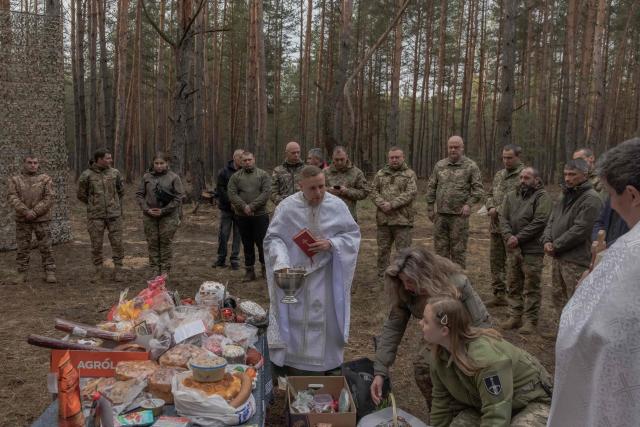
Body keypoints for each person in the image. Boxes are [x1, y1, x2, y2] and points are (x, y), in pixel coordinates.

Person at [548, 137, 640, 427]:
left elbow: (591, 331)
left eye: (613, 195)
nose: (611, 204)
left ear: (633, 196)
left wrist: (585, 293)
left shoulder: (630, 252)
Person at [264, 165, 360, 376]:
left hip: (326, 277)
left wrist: (332, 244)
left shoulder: (337, 206)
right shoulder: (287, 207)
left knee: (326, 320)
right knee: (295, 318)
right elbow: (274, 238)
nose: (318, 193)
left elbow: (352, 236)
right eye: (312, 189)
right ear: (300, 187)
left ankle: (327, 366)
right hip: (296, 277)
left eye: (322, 186)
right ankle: (294, 366)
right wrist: (282, 262)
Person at [371, 247, 491, 410]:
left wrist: (486, 355)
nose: (406, 286)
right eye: (403, 281)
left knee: (467, 368)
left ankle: (471, 405)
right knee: (424, 367)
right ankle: (439, 410)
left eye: (410, 281)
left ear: (424, 275)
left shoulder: (456, 283)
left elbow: (481, 322)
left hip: (465, 333)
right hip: (437, 333)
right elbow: (393, 327)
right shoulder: (405, 291)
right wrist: (380, 370)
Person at [424, 296, 552, 427]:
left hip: (530, 402)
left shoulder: (485, 360)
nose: (420, 324)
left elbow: (496, 414)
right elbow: (441, 403)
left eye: (426, 321)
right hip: (485, 404)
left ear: (444, 331)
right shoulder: (440, 354)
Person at [542, 159, 602, 325]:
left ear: (584, 175)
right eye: (566, 174)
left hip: (576, 260)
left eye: (572, 175)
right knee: (557, 297)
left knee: (576, 301)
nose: (567, 178)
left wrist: (556, 245)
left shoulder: (591, 199)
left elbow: (581, 229)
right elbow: (552, 219)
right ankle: (562, 332)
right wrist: (547, 240)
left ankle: (575, 337)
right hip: (558, 258)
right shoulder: (565, 194)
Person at [499, 167, 552, 334]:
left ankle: (530, 320)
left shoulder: (542, 197)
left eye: (527, 178)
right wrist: (508, 236)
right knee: (513, 282)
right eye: (521, 177)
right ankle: (515, 315)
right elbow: (503, 217)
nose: (522, 180)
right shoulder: (510, 195)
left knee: (531, 285)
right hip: (513, 248)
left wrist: (519, 237)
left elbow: (540, 221)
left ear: (536, 180)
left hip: (532, 249)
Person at [426, 136, 484, 269]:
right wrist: (430, 207)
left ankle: (458, 283)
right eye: (450, 147)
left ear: (462, 148)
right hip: (440, 216)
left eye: (456, 147)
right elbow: (431, 187)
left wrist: (468, 204)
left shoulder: (470, 166)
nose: (453, 149)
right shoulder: (440, 165)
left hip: (459, 217)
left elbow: (478, 189)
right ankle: (442, 281)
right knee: (440, 251)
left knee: (458, 251)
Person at [78, 148, 125, 283]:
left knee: (117, 243)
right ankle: (98, 271)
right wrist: (94, 204)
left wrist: (115, 205)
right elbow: (81, 194)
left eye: (110, 158)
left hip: (114, 214)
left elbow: (121, 191)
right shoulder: (86, 175)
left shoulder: (115, 173)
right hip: (95, 216)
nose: (110, 160)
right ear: (99, 159)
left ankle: (118, 271)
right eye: (108, 158)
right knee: (96, 244)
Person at [485, 145, 524, 307]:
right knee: (496, 261)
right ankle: (499, 294)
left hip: (513, 229)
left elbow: (522, 200)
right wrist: (490, 207)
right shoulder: (499, 175)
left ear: (518, 157)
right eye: (504, 158)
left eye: (510, 158)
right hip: (495, 227)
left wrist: (498, 210)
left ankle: (515, 297)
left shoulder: (524, 175)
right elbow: (489, 194)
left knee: (514, 263)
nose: (506, 161)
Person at [7, 154, 56, 283]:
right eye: (30, 162)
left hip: (42, 219)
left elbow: (49, 198)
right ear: (24, 163)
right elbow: (12, 197)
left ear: (38, 164)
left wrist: (34, 212)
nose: (33, 165)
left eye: (35, 162)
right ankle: (21, 273)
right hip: (23, 219)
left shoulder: (45, 179)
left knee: (46, 246)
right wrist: (25, 211)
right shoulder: (15, 180)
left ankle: (49, 271)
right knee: (22, 247)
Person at [370, 146, 418, 276]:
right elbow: (373, 191)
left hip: (402, 220)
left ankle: (404, 276)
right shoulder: (380, 174)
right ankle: (383, 275)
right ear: (388, 158)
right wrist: (382, 204)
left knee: (404, 252)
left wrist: (392, 204)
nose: (394, 160)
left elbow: (411, 193)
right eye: (392, 157)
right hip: (383, 220)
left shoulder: (409, 175)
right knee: (383, 250)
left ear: (403, 158)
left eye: (397, 157)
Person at [135, 152, 185, 276]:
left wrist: (164, 210)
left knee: (165, 242)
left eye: (161, 163)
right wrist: (146, 209)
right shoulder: (147, 177)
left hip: (168, 216)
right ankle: (154, 270)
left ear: (167, 163)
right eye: (156, 163)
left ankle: (165, 270)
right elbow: (139, 194)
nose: (159, 166)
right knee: (152, 242)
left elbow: (179, 197)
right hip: (149, 216)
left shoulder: (173, 177)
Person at [228, 151, 271, 282]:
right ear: (241, 162)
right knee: (247, 243)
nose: (247, 162)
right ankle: (249, 271)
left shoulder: (263, 175)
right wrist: (243, 207)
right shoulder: (235, 177)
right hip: (242, 216)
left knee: (262, 243)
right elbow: (232, 193)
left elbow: (266, 192)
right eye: (244, 160)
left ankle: (265, 269)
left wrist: (251, 207)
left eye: (249, 160)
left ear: (254, 159)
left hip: (260, 215)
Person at [213, 149, 244, 270]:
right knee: (223, 234)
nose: (242, 160)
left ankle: (235, 259)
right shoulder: (224, 172)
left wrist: (239, 203)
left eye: (244, 157)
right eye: (240, 157)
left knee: (238, 235)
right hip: (226, 208)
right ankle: (221, 259)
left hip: (240, 209)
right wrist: (230, 201)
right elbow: (220, 189)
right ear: (234, 157)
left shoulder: (245, 172)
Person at [325, 146, 369, 221]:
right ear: (332, 158)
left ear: (347, 157)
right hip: (329, 216)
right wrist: (329, 191)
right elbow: (317, 190)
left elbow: (364, 192)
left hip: (349, 217)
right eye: (336, 159)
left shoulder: (356, 173)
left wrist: (347, 191)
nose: (339, 162)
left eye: (342, 159)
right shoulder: (325, 172)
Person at [271, 141, 305, 205]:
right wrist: (283, 202)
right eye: (293, 153)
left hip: (304, 207)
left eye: (298, 152)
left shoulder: (306, 170)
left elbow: (312, 188)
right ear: (286, 153)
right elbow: (272, 192)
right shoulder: (278, 171)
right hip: (284, 207)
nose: (296, 155)